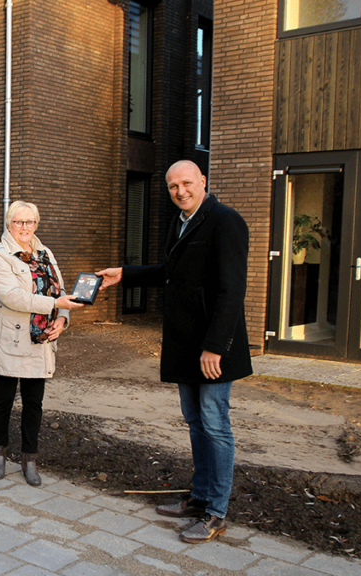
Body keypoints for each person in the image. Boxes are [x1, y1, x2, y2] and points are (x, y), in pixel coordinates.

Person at [97, 159, 252, 544]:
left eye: (186, 183)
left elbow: (231, 291)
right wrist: (126, 274)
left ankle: (216, 513)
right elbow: (171, 271)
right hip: (184, 346)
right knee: (196, 422)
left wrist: (215, 347)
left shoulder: (225, 221)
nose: (180, 191)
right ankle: (199, 498)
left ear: (203, 181)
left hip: (212, 349)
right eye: (172, 187)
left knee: (216, 425)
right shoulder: (180, 222)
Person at [0, 200, 82, 486]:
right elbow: (12, 296)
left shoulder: (45, 253)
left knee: (33, 403)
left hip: (39, 339)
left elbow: (61, 290)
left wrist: (62, 319)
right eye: (18, 222)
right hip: (9, 337)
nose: (24, 227)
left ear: (36, 224)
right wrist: (54, 303)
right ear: (8, 224)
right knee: (3, 400)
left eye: (30, 222)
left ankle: (29, 459)